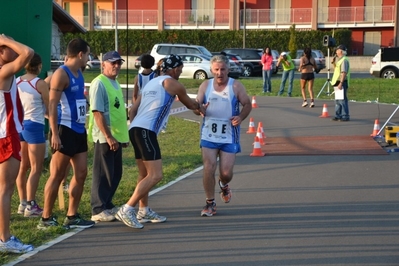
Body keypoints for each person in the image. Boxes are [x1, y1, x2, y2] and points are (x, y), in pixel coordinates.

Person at [116, 54, 206, 229]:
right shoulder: (172, 83)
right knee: (156, 175)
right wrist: (202, 108)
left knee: (144, 175)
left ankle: (144, 210)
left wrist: (133, 127)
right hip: (146, 131)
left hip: (135, 129)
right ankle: (127, 209)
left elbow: (133, 109)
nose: (180, 72)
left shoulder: (151, 82)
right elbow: (191, 106)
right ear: (174, 69)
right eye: (180, 69)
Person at [38, 38, 95, 230]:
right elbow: (52, 104)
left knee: (81, 173)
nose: (88, 58)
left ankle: (72, 215)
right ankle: (46, 218)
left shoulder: (78, 72)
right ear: (80, 54)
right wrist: (54, 134)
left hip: (79, 129)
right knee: (57, 175)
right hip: (64, 129)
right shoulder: (61, 74)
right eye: (87, 54)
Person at [195, 54, 252, 217]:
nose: (220, 73)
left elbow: (247, 104)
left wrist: (240, 117)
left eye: (223, 69)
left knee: (226, 173)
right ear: (212, 70)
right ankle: (210, 203)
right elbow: (196, 106)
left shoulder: (236, 86)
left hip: (229, 135)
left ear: (228, 69)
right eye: (216, 70)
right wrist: (200, 109)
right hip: (209, 135)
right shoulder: (205, 85)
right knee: (209, 167)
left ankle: (223, 184)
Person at [0, 34, 34, 253]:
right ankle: (4, 239)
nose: (15, 48)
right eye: (9, 47)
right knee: (5, 189)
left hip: (4, 133)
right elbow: (28, 53)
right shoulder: (4, 72)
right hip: (7, 134)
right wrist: (3, 38)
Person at [88, 51, 129, 222]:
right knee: (103, 173)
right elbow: (97, 112)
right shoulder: (99, 83)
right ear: (103, 64)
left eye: (119, 63)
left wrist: (122, 137)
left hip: (117, 135)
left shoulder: (115, 82)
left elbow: (118, 110)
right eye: (113, 63)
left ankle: (107, 203)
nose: (117, 66)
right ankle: (97, 208)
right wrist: (109, 136)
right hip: (105, 136)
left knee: (115, 173)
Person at [15, 53, 49, 217]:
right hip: (35, 126)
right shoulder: (40, 83)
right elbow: (48, 108)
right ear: (39, 66)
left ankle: (23, 203)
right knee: (36, 168)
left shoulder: (17, 82)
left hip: (20, 126)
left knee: (23, 167)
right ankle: (31, 204)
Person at [331, 44, 350, 122]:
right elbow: (337, 70)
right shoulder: (340, 60)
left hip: (341, 82)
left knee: (342, 100)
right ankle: (338, 115)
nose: (336, 51)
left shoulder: (344, 60)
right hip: (337, 82)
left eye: (337, 50)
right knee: (338, 100)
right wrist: (333, 63)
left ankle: (345, 115)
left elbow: (344, 72)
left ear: (341, 51)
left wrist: (341, 83)